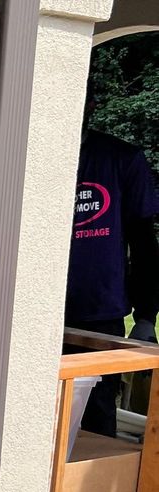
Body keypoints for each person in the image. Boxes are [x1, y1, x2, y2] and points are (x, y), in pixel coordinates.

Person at [65, 92, 159, 436]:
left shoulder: (121, 159)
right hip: (39, 315)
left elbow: (144, 243)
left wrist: (147, 315)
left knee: (96, 415)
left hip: (99, 318)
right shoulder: (37, 157)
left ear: (91, 105)